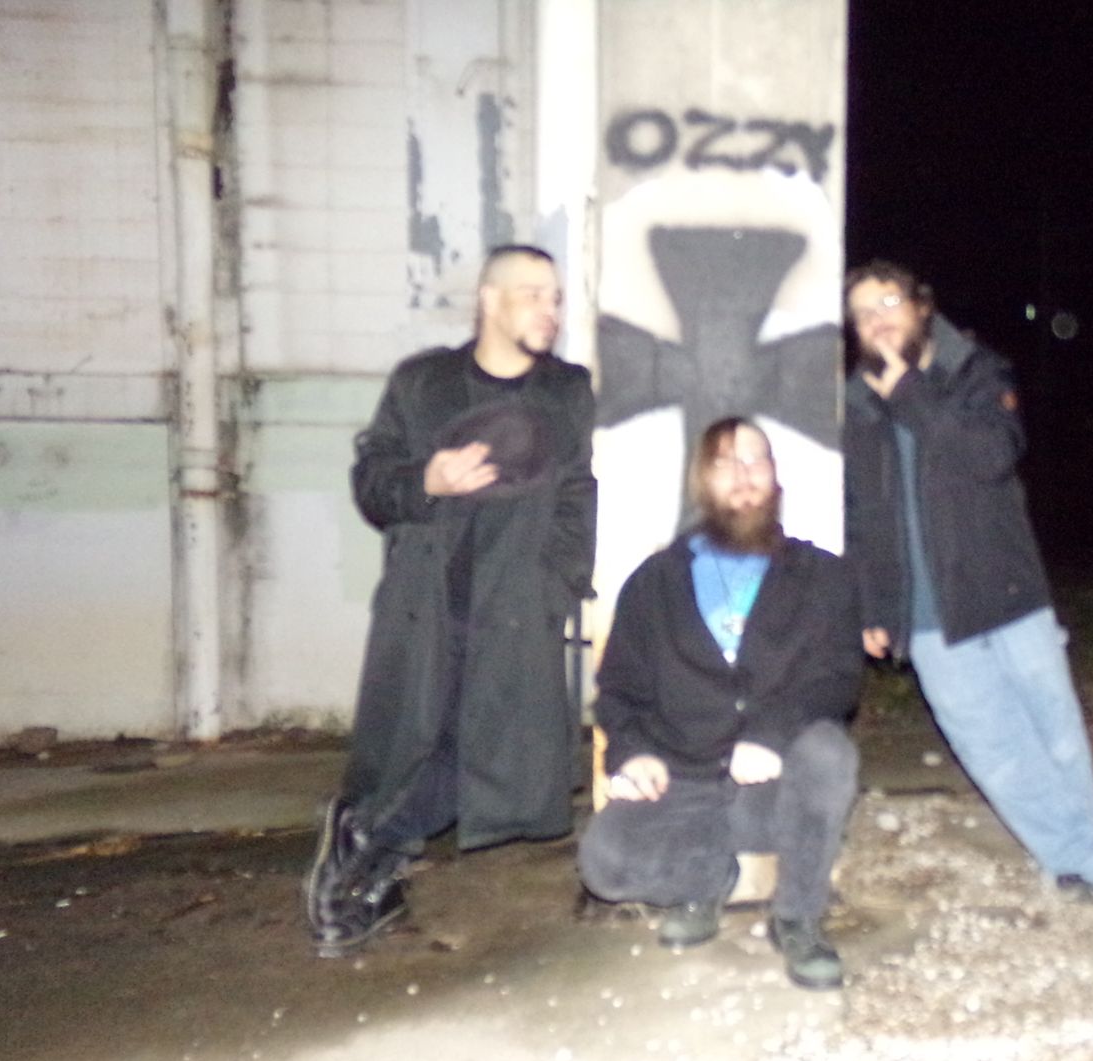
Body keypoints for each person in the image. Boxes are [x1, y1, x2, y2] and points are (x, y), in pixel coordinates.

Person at [304, 244, 597, 957]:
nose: (551, 311)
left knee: (488, 753)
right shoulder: (423, 382)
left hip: (515, 603)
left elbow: (578, 492)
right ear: (489, 300)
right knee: (415, 742)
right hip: (429, 604)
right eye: (533, 294)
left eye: (556, 298)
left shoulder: (567, 392)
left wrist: (558, 581)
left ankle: (367, 850)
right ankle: (366, 858)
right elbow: (371, 481)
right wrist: (425, 483)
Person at [842, 259, 1093, 901]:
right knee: (994, 751)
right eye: (864, 313)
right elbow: (861, 515)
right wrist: (873, 604)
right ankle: (1088, 860)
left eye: (889, 302)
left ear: (922, 306)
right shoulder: (858, 407)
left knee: (1055, 735)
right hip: (927, 615)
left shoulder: (975, 372)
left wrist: (910, 394)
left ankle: (1082, 859)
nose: (878, 320)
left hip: (1005, 591)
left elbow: (990, 455)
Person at [579, 417, 862, 989]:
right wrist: (632, 753)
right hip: (684, 781)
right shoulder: (655, 583)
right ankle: (704, 881)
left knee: (829, 752)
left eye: (756, 460)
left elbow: (836, 679)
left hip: (772, 791)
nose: (743, 474)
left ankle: (797, 917)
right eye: (725, 462)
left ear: (776, 477)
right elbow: (620, 688)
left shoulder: (821, 576)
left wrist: (770, 736)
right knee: (604, 864)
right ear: (702, 482)